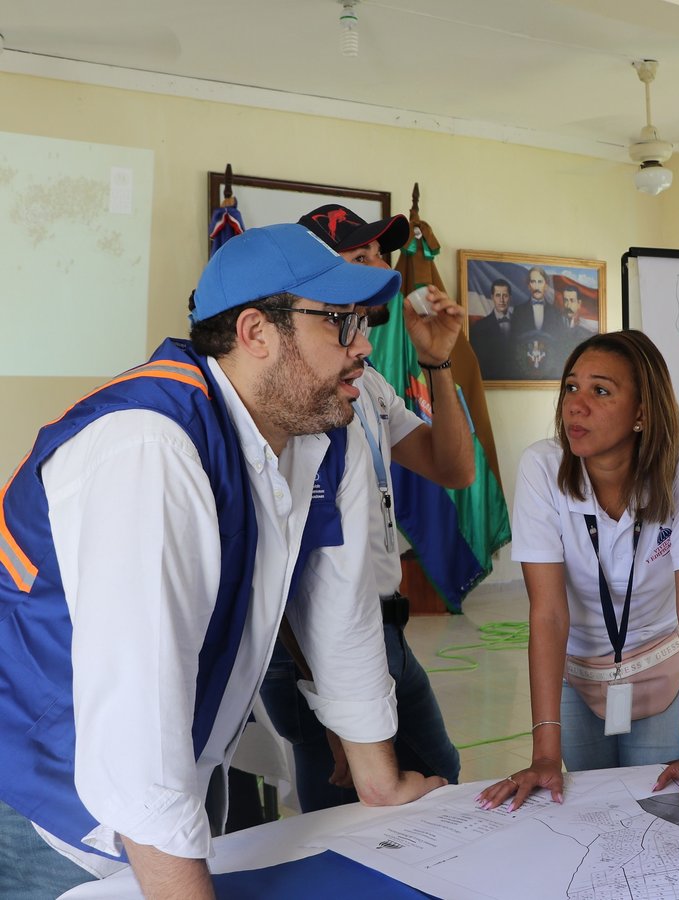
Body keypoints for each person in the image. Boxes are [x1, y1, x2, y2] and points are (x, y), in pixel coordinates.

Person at [0, 224, 445, 899]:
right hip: (50, 804)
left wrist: (379, 782)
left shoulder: (324, 430)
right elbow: (135, 728)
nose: (363, 348)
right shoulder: (150, 447)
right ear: (256, 332)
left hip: (173, 774)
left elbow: (338, 610)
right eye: (340, 323)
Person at [253, 205, 472, 812]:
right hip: (312, 642)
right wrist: (330, 696)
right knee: (346, 815)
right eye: (361, 257)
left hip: (382, 626)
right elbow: (296, 565)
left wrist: (439, 362)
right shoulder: (295, 388)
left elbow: (453, 468)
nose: (383, 269)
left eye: (382, 254)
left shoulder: (365, 379)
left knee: (437, 773)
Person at [476, 331, 679, 813]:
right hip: (577, 670)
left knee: (662, 814)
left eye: (600, 391)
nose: (576, 405)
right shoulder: (542, 466)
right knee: (596, 813)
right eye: (571, 388)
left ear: (642, 412)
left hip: (662, 663)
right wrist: (544, 754)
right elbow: (548, 613)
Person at [470, 279, 518, 379]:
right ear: (492, 297)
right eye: (498, 295)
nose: (502, 300)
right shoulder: (480, 327)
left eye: (505, 295)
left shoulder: (521, 323)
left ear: (510, 297)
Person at [511, 266, 566, 336]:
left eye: (540, 282)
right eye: (533, 282)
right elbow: (514, 340)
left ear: (546, 286)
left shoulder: (556, 313)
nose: (537, 286)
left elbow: (560, 340)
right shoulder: (518, 311)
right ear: (529, 286)